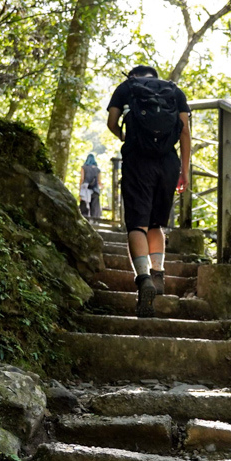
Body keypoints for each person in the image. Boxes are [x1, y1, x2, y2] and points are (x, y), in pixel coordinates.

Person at [107, 65, 191, 317]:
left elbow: (111, 122)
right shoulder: (174, 91)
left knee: (137, 225)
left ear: (134, 76)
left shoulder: (126, 88)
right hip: (168, 163)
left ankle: (143, 278)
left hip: (137, 160)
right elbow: (185, 131)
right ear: (156, 78)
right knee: (156, 224)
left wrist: (125, 135)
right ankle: (158, 273)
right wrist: (184, 171)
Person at [79, 154, 102, 219]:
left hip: (85, 189)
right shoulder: (98, 169)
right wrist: (102, 187)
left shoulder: (83, 167)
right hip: (95, 190)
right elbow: (99, 182)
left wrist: (80, 190)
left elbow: (82, 179)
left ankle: (85, 221)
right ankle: (95, 222)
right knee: (94, 208)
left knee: (84, 207)